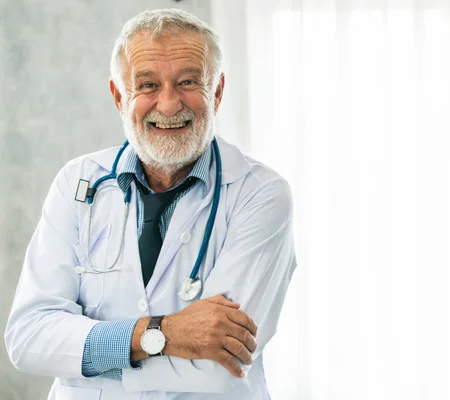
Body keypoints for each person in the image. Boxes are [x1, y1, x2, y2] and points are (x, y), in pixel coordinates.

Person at [4, 8, 296, 400]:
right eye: (147, 85)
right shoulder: (78, 182)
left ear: (219, 91)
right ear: (118, 97)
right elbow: (28, 337)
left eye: (189, 81)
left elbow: (217, 368)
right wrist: (162, 334)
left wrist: (83, 362)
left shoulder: (261, 194)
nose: (170, 104)